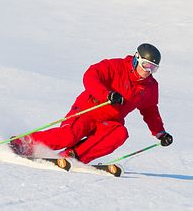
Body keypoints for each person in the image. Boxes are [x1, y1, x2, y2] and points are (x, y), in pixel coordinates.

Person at [10, 43, 173, 164]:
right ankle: (21, 144)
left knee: (119, 133)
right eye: (146, 65)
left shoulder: (150, 87)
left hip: (111, 120)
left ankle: (73, 156)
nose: (148, 71)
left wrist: (160, 133)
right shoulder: (116, 67)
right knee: (68, 136)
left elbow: (150, 110)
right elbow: (90, 75)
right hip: (90, 108)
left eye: (153, 68)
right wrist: (106, 94)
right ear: (137, 59)